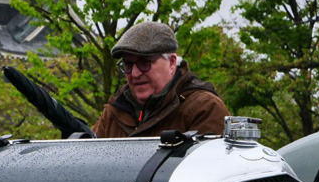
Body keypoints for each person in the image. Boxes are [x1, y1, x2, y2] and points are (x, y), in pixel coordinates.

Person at [92, 21, 229, 138]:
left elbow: (208, 166)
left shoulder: (204, 109)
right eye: (128, 65)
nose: (134, 73)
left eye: (144, 63)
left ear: (171, 62)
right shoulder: (114, 112)